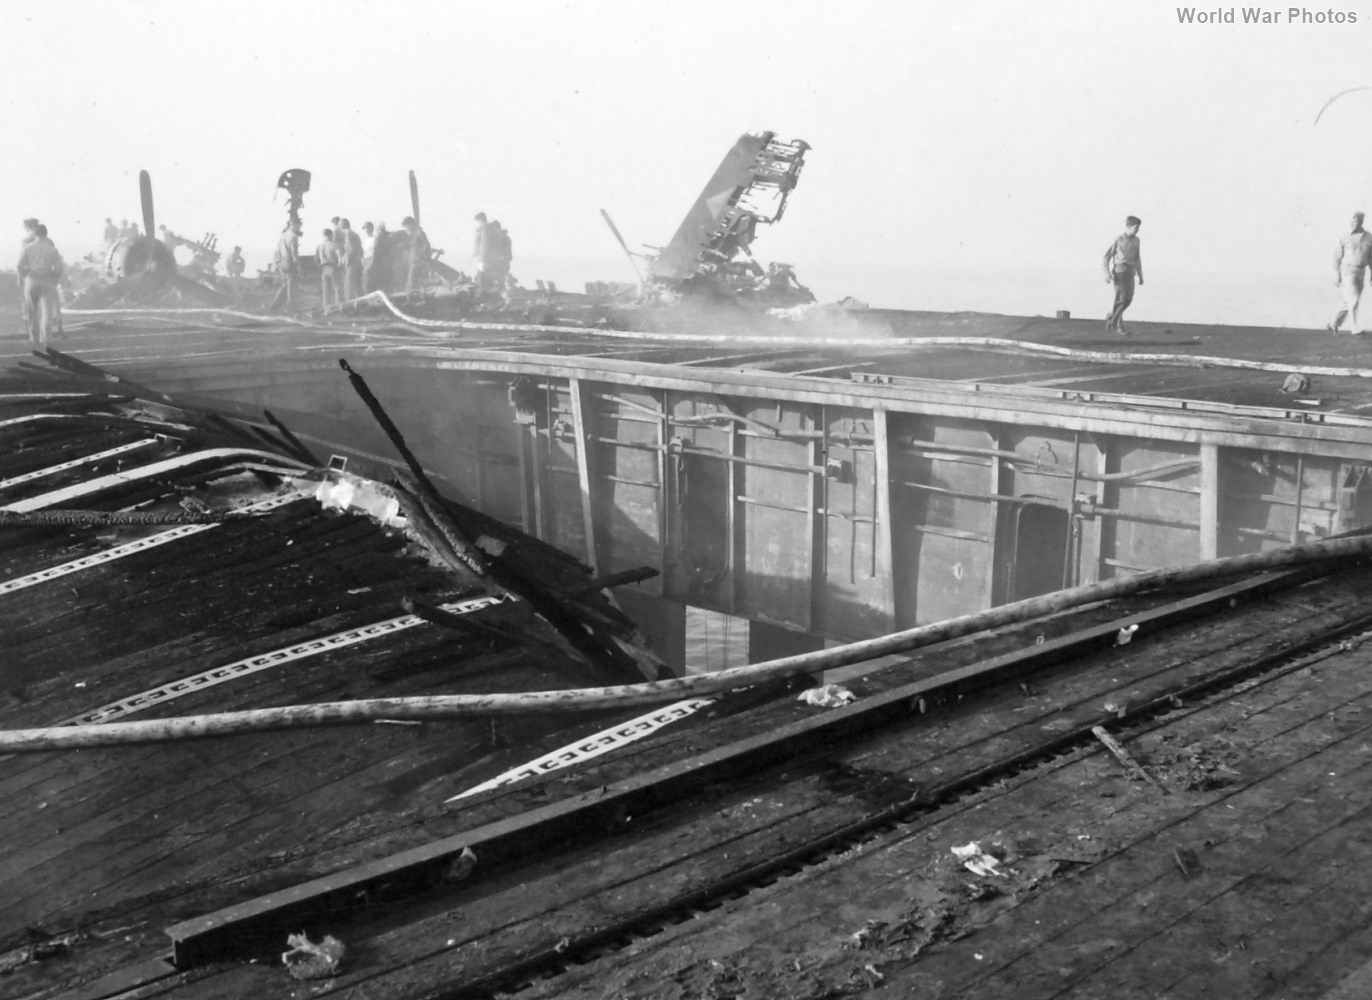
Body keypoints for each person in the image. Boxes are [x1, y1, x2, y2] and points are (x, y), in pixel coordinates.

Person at [17, 220, 65, 345]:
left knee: (32, 312)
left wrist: (25, 275)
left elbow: (20, 266)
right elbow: (59, 268)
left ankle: (34, 338)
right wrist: (54, 277)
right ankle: (46, 338)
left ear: (36, 234)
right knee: (47, 311)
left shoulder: (27, 248)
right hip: (47, 280)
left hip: (32, 280)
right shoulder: (52, 249)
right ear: (46, 234)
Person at [1329, 212, 1372, 336]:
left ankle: (1333, 323)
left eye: (1357, 221)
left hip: (1361, 271)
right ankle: (1354, 328)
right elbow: (1336, 257)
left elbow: (1371, 257)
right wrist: (1336, 275)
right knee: (1353, 299)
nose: (1354, 224)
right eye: (1352, 221)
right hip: (1347, 271)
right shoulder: (1344, 237)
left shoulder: (1369, 237)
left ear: (1361, 222)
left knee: (1347, 301)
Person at [1102, 215, 1144, 334]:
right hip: (1120, 271)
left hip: (1131, 272)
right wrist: (1106, 273)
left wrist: (1140, 275)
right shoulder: (1118, 239)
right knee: (1122, 298)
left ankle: (1112, 316)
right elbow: (1106, 257)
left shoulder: (1137, 240)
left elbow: (1137, 258)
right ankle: (1116, 325)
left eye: (1138, 228)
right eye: (1136, 227)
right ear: (1129, 226)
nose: (1137, 230)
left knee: (1128, 300)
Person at [269, 220, 302, 312]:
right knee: (291, 287)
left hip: (282, 262)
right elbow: (294, 253)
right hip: (290, 262)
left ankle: (274, 306)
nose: (299, 228)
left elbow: (278, 250)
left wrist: (277, 264)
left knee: (284, 285)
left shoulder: (283, 235)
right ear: (294, 225)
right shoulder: (293, 236)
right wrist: (298, 265)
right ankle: (291, 307)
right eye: (299, 226)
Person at [402, 215, 430, 292]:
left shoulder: (419, 233)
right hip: (414, 262)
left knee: (414, 282)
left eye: (407, 226)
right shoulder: (412, 235)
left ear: (411, 224)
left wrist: (422, 257)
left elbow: (426, 245)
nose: (406, 228)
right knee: (414, 282)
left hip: (418, 262)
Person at [339, 218, 364, 300]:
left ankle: (349, 305)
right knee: (357, 285)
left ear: (343, 225)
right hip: (357, 261)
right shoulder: (354, 233)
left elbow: (351, 249)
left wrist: (344, 258)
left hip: (352, 262)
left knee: (349, 285)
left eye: (340, 224)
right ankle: (361, 302)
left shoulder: (347, 233)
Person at [316, 228, 341, 309]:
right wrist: (339, 265)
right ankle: (338, 307)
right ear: (330, 235)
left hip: (324, 268)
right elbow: (339, 256)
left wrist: (319, 265)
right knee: (337, 288)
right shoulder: (333, 244)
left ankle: (326, 308)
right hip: (332, 266)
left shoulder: (320, 245)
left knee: (326, 291)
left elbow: (316, 258)